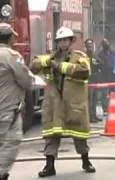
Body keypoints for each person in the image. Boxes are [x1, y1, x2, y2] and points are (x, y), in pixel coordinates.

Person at [30, 27, 96, 178]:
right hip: (54, 105)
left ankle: (86, 161)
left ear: (71, 41)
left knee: (79, 135)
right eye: (60, 40)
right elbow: (33, 67)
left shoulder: (79, 56)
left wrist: (60, 66)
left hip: (74, 104)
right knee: (51, 136)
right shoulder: (50, 57)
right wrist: (47, 61)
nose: (63, 43)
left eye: (65, 40)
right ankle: (49, 166)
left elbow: (85, 71)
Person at [0, 23, 33, 180]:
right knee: (11, 142)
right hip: (6, 111)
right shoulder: (13, 56)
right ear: (10, 37)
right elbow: (26, 80)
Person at [97, 38, 115, 112]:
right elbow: (99, 65)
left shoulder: (113, 53)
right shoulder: (100, 54)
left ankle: (114, 107)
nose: (106, 45)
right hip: (104, 77)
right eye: (104, 43)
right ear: (103, 45)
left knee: (113, 93)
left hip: (112, 77)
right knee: (104, 94)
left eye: (107, 43)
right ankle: (105, 109)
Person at [85, 38, 102, 123]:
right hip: (88, 80)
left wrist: (97, 63)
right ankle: (89, 117)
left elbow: (101, 64)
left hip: (95, 80)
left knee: (95, 99)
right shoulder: (84, 56)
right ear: (86, 46)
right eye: (88, 45)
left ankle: (94, 116)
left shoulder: (95, 55)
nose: (90, 46)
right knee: (89, 100)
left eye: (91, 45)